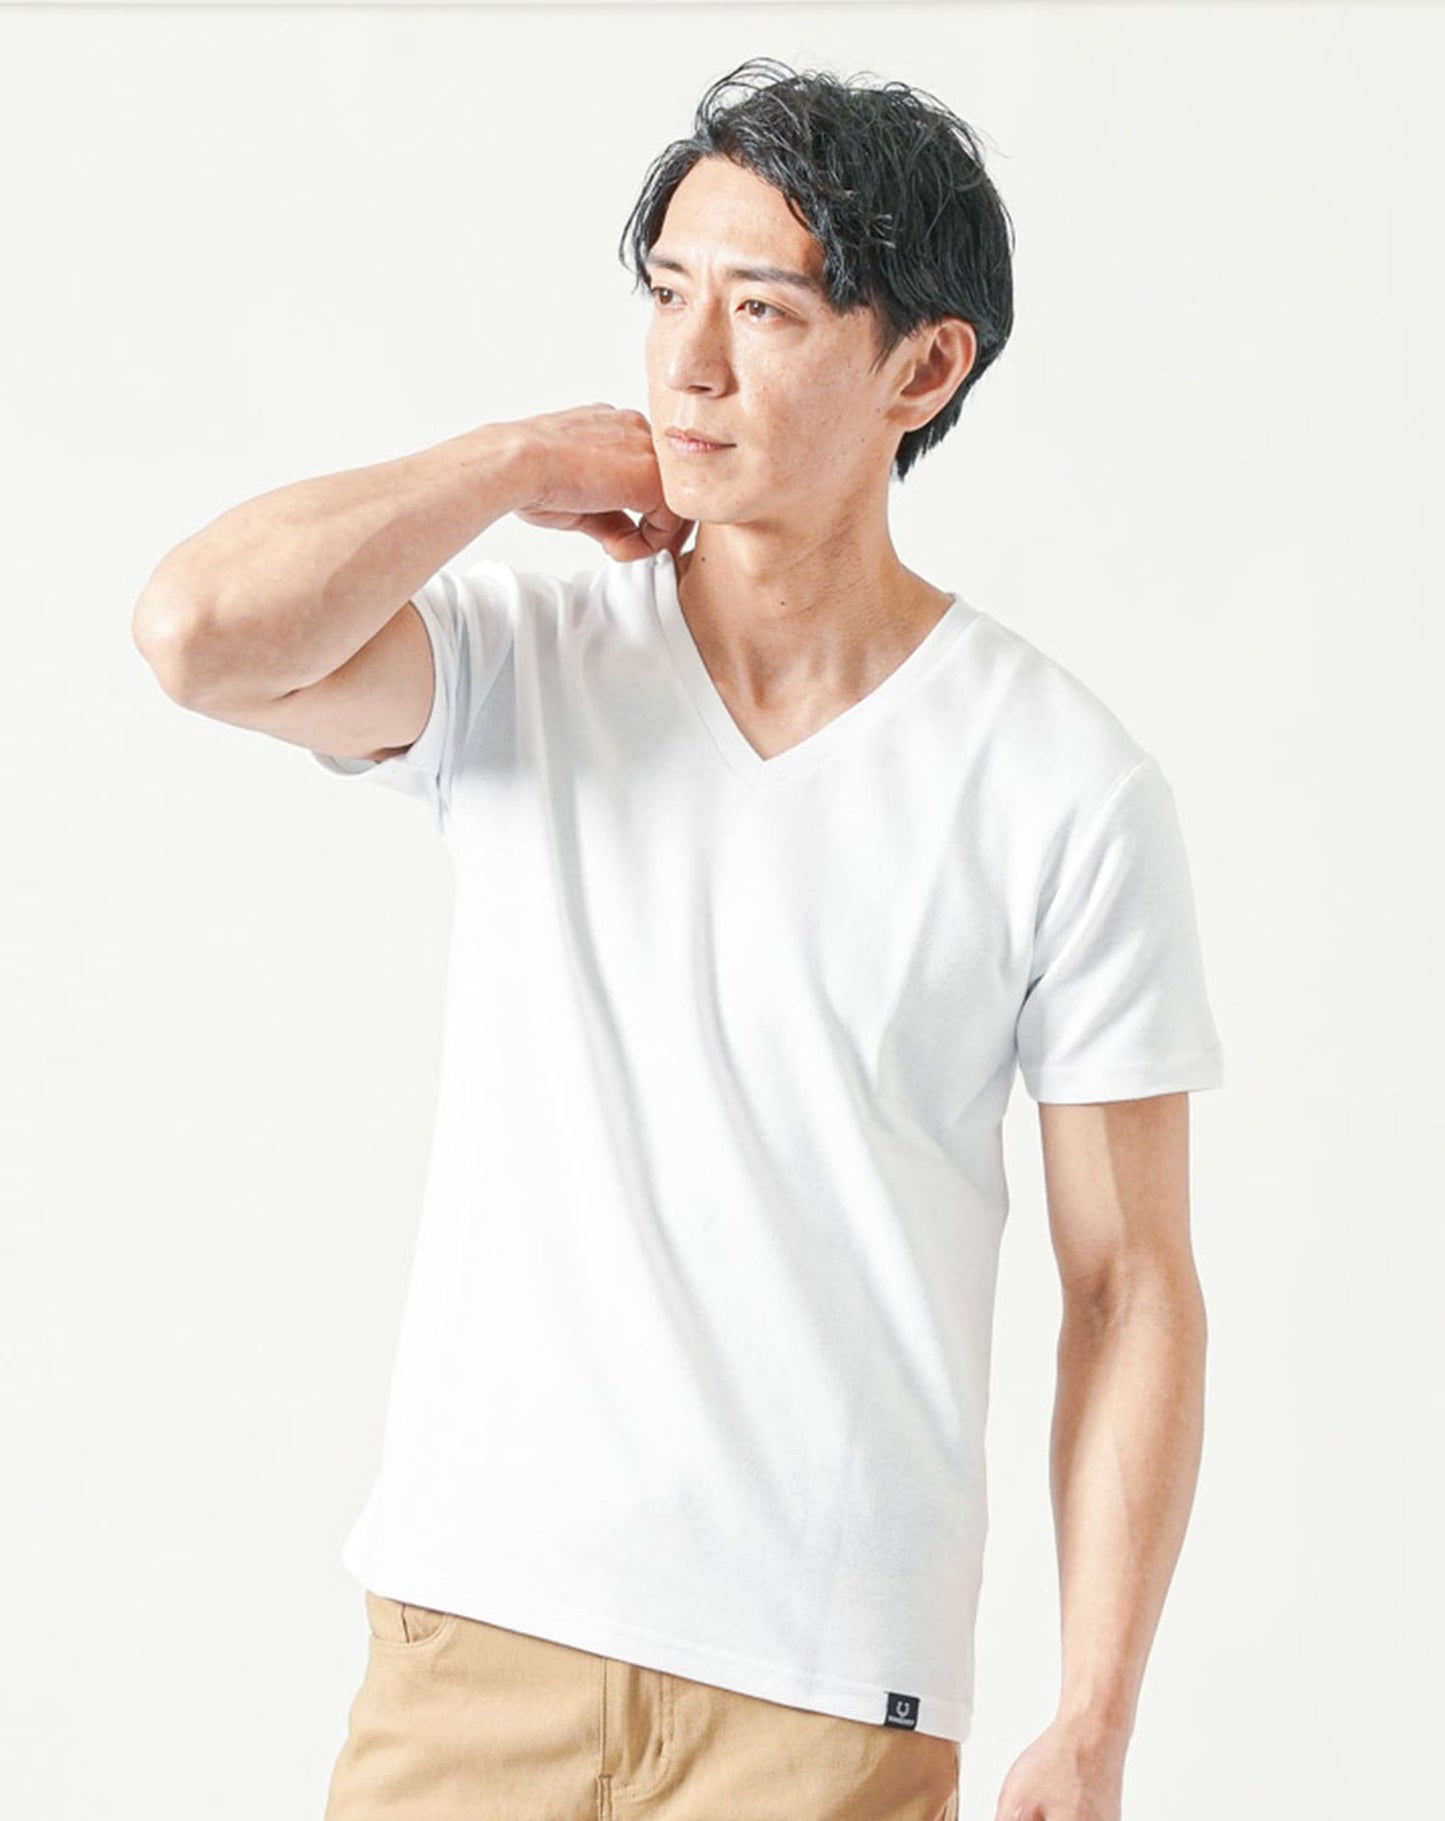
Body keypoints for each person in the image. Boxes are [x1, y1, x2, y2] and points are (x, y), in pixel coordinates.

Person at [132, 55, 1223, 1821]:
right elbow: (196, 635)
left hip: (820, 1701)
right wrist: (512, 462)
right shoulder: (523, 665)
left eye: (764, 308)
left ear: (923, 367)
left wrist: (1092, 1713)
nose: (690, 363)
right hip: (472, 1648)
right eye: (666, 294)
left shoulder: (1059, 785)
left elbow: (1128, 1285)